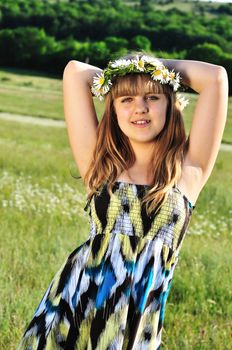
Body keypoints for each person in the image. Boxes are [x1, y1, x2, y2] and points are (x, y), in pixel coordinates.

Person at [18, 52, 228, 349]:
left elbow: (216, 78)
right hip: (74, 307)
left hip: (140, 319)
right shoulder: (100, 165)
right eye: (126, 100)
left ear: (171, 104)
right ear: (113, 110)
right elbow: (75, 73)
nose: (139, 108)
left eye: (152, 97)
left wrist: (152, 68)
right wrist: (130, 69)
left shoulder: (189, 169)